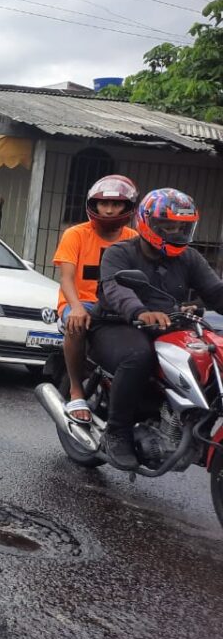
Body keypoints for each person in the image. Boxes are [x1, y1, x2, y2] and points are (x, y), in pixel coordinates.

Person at [91, 188, 223, 469]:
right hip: (117, 323)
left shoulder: (190, 258)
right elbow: (115, 289)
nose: (175, 232)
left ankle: (186, 422)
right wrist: (140, 311)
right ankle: (117, 432)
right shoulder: (120, 252)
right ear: (147, 223)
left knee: (209, 357)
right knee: (138, 356)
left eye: (181, 227)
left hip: (168, 325)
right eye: (167, 225)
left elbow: (215, 292)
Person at [51, 175, 138, 425]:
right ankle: (76, 391)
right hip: (84, 303)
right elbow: (66, 278)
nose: (109, 209)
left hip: (120, 305)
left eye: (116, 204)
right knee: (76, 325)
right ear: (93, 205)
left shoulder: (133, 238)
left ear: (127, 207)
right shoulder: (75, 234)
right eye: (103, 204)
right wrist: (75, 307)